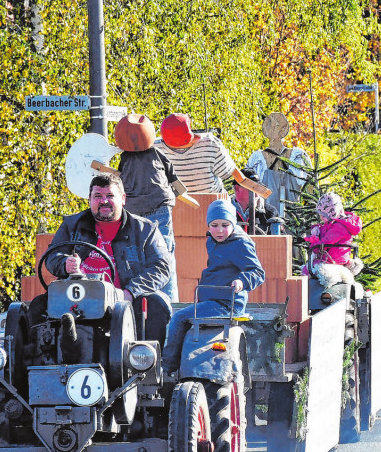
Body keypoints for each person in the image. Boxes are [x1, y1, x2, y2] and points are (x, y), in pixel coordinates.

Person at [46, 174, 174, 340]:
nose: (104, 201)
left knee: (157, 304)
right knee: (38, 306)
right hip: (79, 299)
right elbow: (52, 257)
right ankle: (49, 358)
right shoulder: (71, 226)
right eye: (98, 196)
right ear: (89, 200)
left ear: (123, 199)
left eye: (110, 196)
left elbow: (161, 267)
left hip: (125, 299)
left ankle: (144, 360)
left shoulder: (145, 230)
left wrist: (131, 291)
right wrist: (65, 264)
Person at [162, 199, 265, 375]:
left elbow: (257, 272)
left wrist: (241, 281)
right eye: (214, 225)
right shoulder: (213, 241)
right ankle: (182, 365)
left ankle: (166, 368)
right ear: (208, 226)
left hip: (227, 303)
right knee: (175, 316)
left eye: (225, 225)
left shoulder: (240, 243)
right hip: (213, 300)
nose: (219, 230)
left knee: (179, 318)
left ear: (233, 223)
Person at [113, 113, 184, 302]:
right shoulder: (155, 153)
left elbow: (119, 180)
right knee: (164, 255)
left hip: (133, 212)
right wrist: (179, 192)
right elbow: (172, 175)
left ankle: (139, 299)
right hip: (159, 207)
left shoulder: (125, 158)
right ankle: (169, 303)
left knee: (135, 256)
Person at [247, 112, 310, 230]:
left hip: (293, 221)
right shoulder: (257, 159)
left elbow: (311, 190)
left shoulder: (298, 157)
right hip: (265, 220)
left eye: (276, 127)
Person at [157, 113, 237, 195]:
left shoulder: (155, 148)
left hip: (173, 203)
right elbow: (232, 175)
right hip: (212, 201)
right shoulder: (209, 143)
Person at [303, 192, 365, 280]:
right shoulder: (338, 224)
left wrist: (314, 242)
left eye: (323, 216)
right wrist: (316, 228)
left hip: (331, 260)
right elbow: (326, 230)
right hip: (334, 258)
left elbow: (324, 243)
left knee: (306, 271)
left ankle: (300, 290)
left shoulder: (338, 228)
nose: (321, 218)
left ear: (332, 214)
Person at [232, 167, 277, 234]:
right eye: (252, 188)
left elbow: (280, 241)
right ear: (237, 188)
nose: (257, 193)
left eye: (258, 188)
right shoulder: (224, 211)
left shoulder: (270, 213)